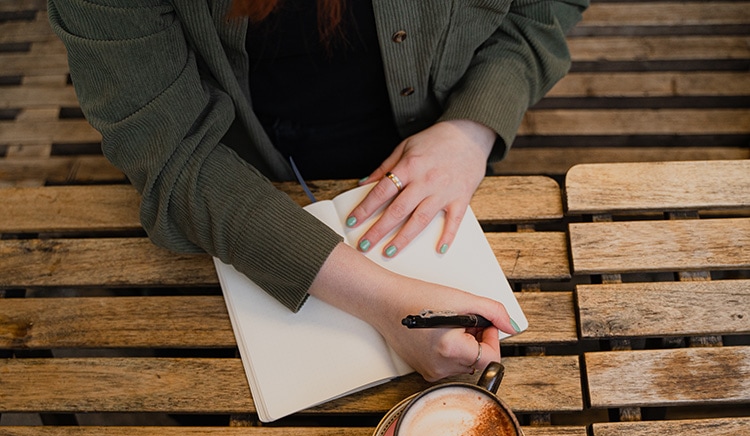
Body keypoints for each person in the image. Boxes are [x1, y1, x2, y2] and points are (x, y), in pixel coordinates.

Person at [48, 0, 587, 381]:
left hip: (446, 164)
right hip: (235, 189)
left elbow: (544, 9)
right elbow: (170, 151)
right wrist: (386, 303)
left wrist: (473, 127)